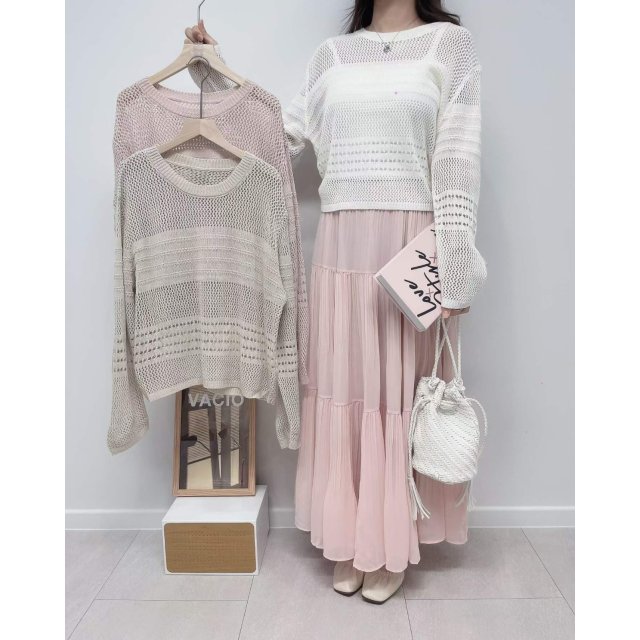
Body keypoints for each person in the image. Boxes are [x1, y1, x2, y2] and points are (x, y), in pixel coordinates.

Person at [186, 0, 486, 604]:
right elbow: (274, 139)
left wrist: (454, 270)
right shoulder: (332, 56)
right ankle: (352, 537)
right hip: (341, 243)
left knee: (396, 398)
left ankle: (390, 542)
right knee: (345, 390)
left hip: (411, 247)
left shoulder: (449, 47)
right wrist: (214, 74)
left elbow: (457, 161)